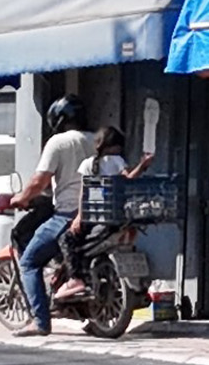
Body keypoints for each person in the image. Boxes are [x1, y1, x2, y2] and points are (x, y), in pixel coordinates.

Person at [5, 96, 89, 337]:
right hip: (97, 215)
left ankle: (40, 321)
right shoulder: (97, 139)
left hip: (67, 214)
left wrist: (22, 198)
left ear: (59, 120)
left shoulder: (58, 142)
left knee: (29, 262)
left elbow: (39, 180)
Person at [58, 124, 154, 300]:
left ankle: (75, 278)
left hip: (93, 216)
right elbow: (128, 180)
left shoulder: (87, 164)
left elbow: (84, 193)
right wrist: (141, 166)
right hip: (114, 215)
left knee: (66, 240)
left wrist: (79, 217)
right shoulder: (116, 161)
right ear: (113, 146)